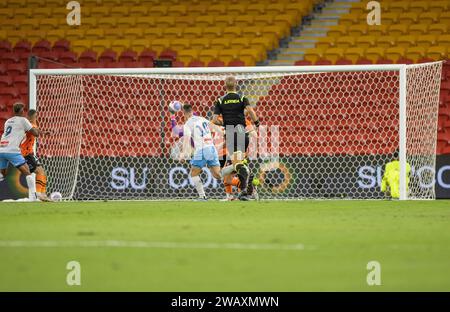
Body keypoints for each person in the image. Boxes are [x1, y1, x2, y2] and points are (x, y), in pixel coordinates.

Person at [212, 76, 260, 201]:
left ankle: (247, 178)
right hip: (242, 133)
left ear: (225, 86)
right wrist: (257, 123)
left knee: (237, 165)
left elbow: (215, 120)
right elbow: (250, 111)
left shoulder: (220, 100)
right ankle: (244, 190)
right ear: (236, 85)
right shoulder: (242, 98)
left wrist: (225, 123)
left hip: (231, 133)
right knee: (237, 164)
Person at [179, 104, 222, 200]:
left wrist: (182, 153)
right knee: (218, 175)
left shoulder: (187, 124)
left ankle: (202, 196)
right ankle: (236, 173)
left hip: (202, 150)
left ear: (184, 114)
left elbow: (186, 139)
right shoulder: (202, 119)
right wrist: (223, 133)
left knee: (193, 173)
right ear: (192, 111)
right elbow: (215, 127)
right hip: (211, 148)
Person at [0, 103, 40, 201]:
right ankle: (33, 197)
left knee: (3, 175)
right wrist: (35, 125)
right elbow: (35, 134)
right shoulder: (24, 120)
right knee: (27, 172)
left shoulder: (8, 121)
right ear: (22, 111)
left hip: (1, 149)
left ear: (14, 111)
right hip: (12, 150)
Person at [20, 109, 51, 201]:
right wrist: (42, 133)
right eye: (35, 116)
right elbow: (35, 132)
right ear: (33, 116)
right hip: (26, 154)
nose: (36, 118)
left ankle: (43, 194)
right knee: (40, 172)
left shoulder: (29, 125)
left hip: (29, 153)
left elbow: (35, 130)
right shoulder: (30, 125)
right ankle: (39, 193)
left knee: (42, 172)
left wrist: (44, 132)